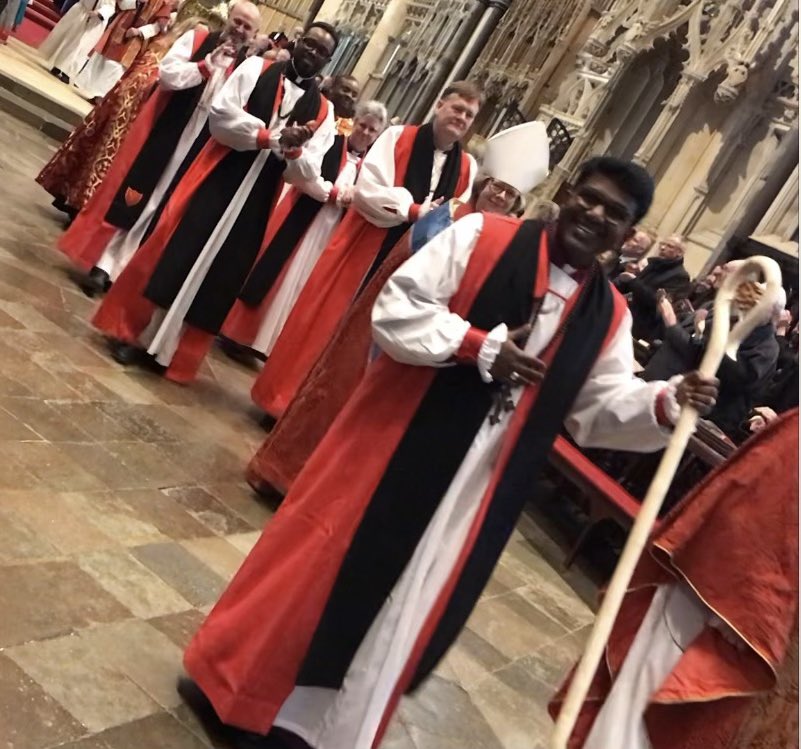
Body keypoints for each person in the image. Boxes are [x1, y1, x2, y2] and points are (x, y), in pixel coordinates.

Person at [180, 156, 719, 749]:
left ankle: (313, 730)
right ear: (566, 193)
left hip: (476, 488)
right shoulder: (482, 235)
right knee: (319, 568)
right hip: (393, 446)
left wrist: (664, 403)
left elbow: (599, 405)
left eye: (616, 214)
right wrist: (474, 345)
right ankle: (233, 692)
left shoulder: (608, 314)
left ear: (628, 234)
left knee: (403, 606)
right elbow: (396, 307)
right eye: (589, 198)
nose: (596, 215)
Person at [245, 121, 550, 498]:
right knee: (338, 391)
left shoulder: (504, 236)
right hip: (388, 320)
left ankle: (325, 492)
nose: (500, 197)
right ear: (484, 185)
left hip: (433, 344)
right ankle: (282, 475)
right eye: (497, 188)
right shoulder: (449, 216)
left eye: (510, 194)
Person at [92, 21, 339, 383]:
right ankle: (139, 337)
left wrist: (295, 150)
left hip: (258, 199)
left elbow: (308, 171)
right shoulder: (257, 68)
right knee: (179, 253)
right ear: (298, 42)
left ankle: (170, 354)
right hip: (219, 176)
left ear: (327, 62)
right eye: (310, 44)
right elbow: (222, 116)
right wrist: (271, 138)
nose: (312, 54)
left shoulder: (323, 112)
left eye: (322, 52)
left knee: (216, 276)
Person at [550, 408, 798, 749]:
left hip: (763, 635)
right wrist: (749, 616)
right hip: (722, 610)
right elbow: (750, 522)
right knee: (643, 722)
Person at [250, 80, 480, 419]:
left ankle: (323, 420)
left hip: (409, 269)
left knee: (363, 345)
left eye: (469, 115)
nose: (461, 117)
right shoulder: (397, 137)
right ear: (439, 105)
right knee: (326, 325)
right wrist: (414, 212)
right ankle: (284, 404)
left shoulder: (468, 167)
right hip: (365, 247)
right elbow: (367, 191)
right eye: (457, 108)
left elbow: (458, 214)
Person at [58, 2, 261, 296]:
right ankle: (104, 264)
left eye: (247, 27)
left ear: (254, 34)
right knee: (139, 195)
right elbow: (166, 74)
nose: (240, 30)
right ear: (228, 20)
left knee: (164, 206)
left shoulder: (248, 68)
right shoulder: (200, 39)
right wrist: (205, 66)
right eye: (237, 22)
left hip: (203, 143)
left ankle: (128, 273)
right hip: (170, 127)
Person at [220, 95, 387, 366]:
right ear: (353, 123)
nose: (365, 133)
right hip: (300, 217)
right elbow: (301, 175)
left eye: (372, 130)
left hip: (331, 232)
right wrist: (334, 193)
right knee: (278, 274)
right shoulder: (331, 144)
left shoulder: (371, 166)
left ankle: (269, 345)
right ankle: (239, 334)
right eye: (363, 125)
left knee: (301, 286)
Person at [36, 19, 193, 220]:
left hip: (120, 105)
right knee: (101, 157)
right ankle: (78, 204)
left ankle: (73, 200)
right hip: (128, 113)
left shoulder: (161, 48)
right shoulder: (164, 53)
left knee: (96, 153)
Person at [643, 279, 782, 439]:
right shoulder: (734, 324)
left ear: (769, 312)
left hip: (713, 418)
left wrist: (709, 337)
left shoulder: (766, 347)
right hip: (688, 400)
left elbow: (739, 377)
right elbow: (699, 351)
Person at [75, 0, 175, 102]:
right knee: (105, 58)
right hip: (121, 26)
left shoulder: (163, 2)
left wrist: (139, 31)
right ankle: (92, 90)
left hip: (137, 37)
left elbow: (158, 25)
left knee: (117, 66)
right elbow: (122, 5)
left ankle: (102, 96)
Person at [616, 233, 690, 341]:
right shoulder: (653, 263)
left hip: (640, 324)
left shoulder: (680, 276)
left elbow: (658, 302)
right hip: (624, 312)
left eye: (669, 246)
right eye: (662, 244)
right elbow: (632, 286)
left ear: (679, 253)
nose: (663, 248)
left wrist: (633, 281)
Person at [38, 0, 116, 84]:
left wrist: (99, 12)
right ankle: (58, 66)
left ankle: (67, 73)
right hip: (81, 11)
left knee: (81, 46)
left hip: (95, 21)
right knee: (68, 39)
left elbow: (110, 7)